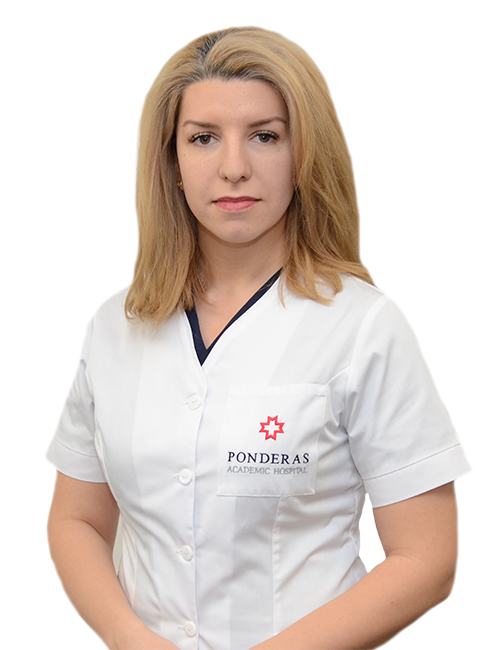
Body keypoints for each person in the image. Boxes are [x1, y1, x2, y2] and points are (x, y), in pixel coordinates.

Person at [45, 24, 472, 650]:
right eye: (203, 138)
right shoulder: (116, 322)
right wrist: (126, 636)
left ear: (305, 156)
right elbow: (76, 518)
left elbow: (428, 559)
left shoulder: (364, 326)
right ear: (172, 161)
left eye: (265, 136)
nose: (234, 168)